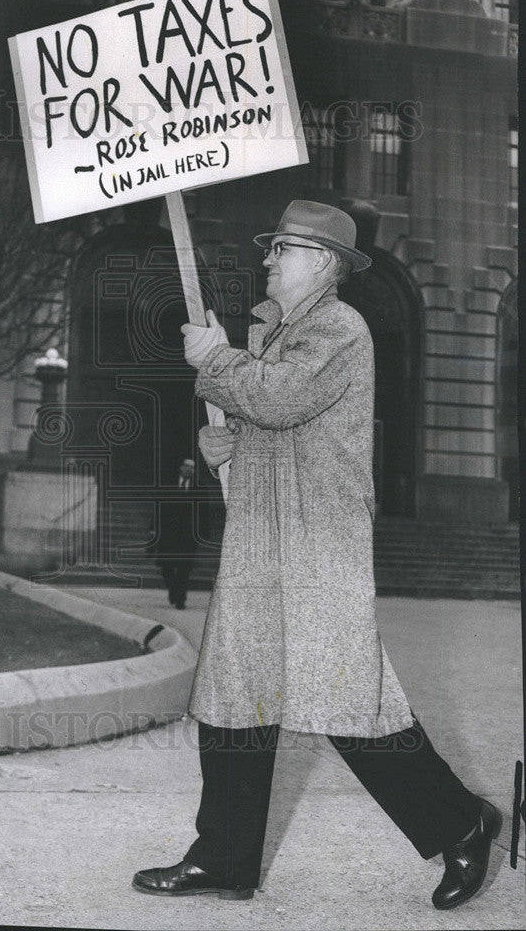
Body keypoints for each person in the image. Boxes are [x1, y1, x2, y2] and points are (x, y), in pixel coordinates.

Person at [132, 200, 501, 909]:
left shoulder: (338, 327)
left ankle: (460, 826)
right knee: (236, 693)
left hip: (319, 543)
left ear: (323, 264)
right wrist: (217, 452)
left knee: (345, 702)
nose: (267, 258)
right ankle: (224, 859)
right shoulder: (275, 332)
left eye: (283, 249)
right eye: (270, 247)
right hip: (262, 538)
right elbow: (264, 425)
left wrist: (214, 359)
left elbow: (280, 397)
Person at [154, 457, 196, 609]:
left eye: (192, 467)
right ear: (181, 468)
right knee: (167, 568)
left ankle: (180, 599)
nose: (188, 469)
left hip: (188, 537)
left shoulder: (199, 488)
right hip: (169, 535)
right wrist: (154, 528)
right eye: (186, 466)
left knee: (184, 570)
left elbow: (203, 513)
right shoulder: (169, 485)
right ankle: (173, 591)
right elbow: (160, 508)